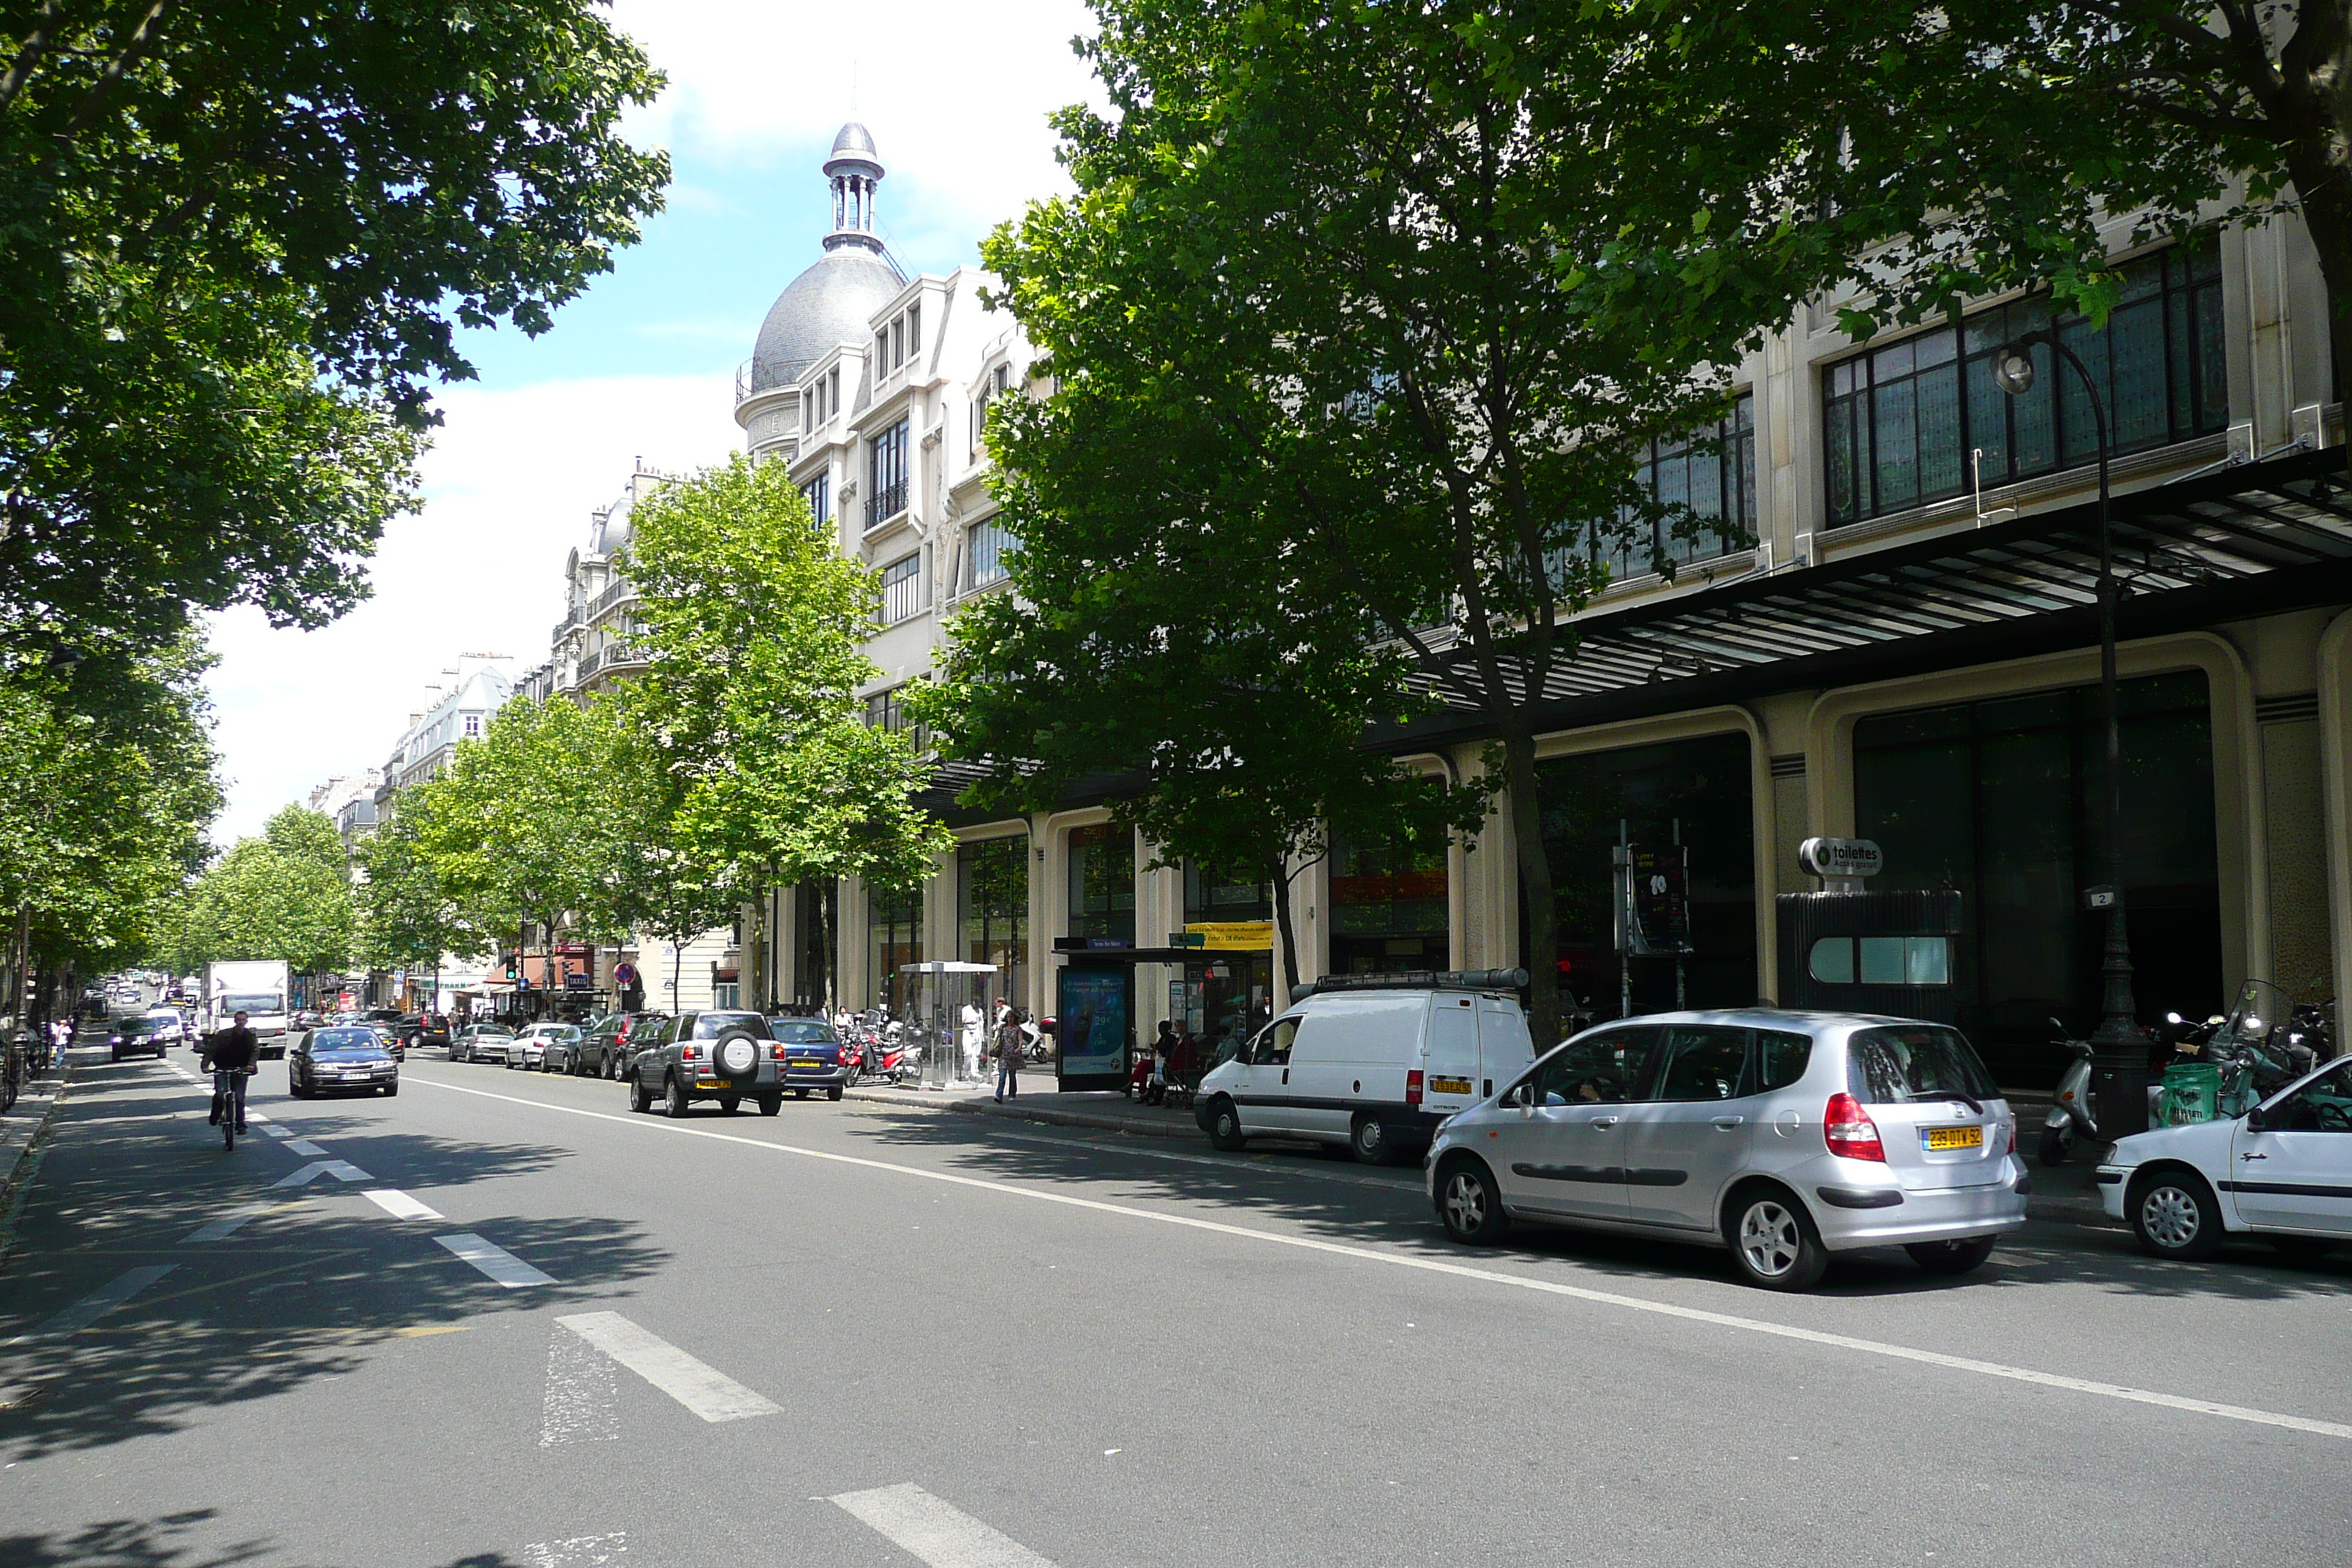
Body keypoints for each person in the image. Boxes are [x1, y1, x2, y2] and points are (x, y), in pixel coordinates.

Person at [208, 1010, 260, 1133]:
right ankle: (215, 1115)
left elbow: (255, 1051)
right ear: (235, 1021)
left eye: (243, 1020)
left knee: (239, 1098)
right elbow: (212, 1049)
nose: (241, 1022)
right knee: (220, 1094)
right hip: (222, 1068)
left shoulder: (250, 1035)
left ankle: (240, 1124)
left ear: (246, 1021)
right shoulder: (223, 1034)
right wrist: (205, 1065)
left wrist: (251, 1065)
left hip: (241, 1069)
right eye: (239, 1020)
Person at [994, 1007, 1025, 1102]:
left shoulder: (1018, 1029)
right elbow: (998, 1039)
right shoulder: (1002, 1028)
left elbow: (1020, 1040)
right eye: (1008, 1017)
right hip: (1003, 1054)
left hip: (1013, 1054)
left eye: (1011, 1017)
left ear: (1015, 1018)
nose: (1010, 1019)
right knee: (1002, 1076)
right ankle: (999, 1095)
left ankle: (1012, 1094)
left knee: (1012, 1076)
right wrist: (994, 1047)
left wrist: (1019, 1048)